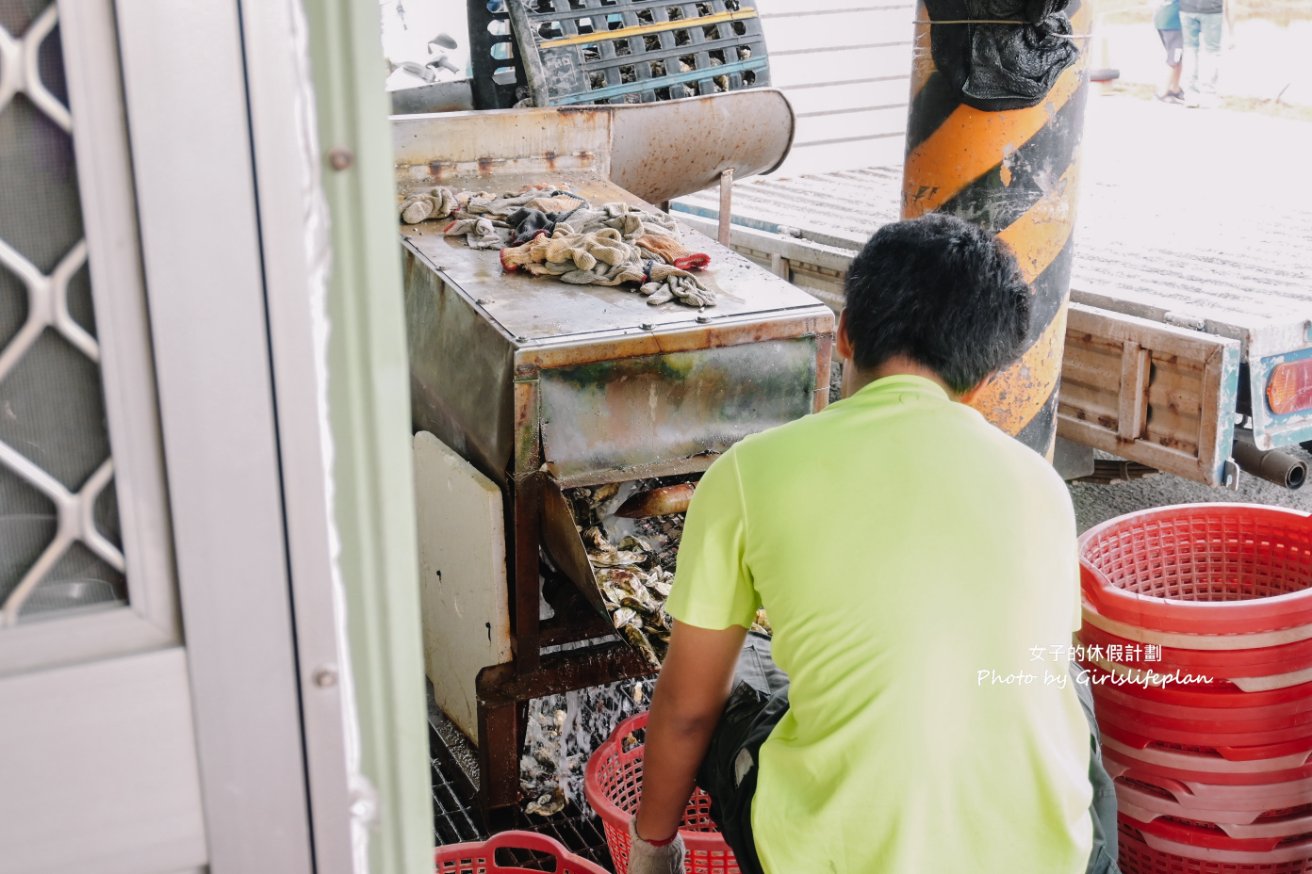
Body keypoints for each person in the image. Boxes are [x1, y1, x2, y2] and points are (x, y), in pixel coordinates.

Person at [627, 214, 1118, 873]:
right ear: (984, 380)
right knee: (1062, 679)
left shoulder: (747, 472)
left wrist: (651, 850)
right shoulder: (1041, 484)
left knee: (738, 671)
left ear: (846, 334)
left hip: (840, 859)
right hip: (1060, 857)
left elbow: (686, 710)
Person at [1179, 0, 1229, 107]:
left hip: (1187, 8)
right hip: (1211, 9)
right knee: (1212, 52)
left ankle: (1191, 94)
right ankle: (1208, 94)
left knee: (1190, 49)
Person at [1153, 0, 1184, 104]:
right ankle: (1162, 93)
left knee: (1178, 57)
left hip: (1162, 19)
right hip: (1173, 23)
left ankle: (1175, 89)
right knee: (1174, 58)